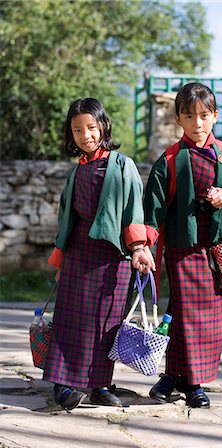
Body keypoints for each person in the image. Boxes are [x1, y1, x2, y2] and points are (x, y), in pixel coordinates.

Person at [43, 97, 155, 410]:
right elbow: (67, 220)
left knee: (106, 323)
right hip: (78, 254)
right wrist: (61, 262)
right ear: (71, 135)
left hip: (112, 258)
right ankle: (61, 384)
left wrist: (138, 248)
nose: (85, 135)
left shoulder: (123, 166)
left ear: (103, 125)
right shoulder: (74, 174)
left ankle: (100, 385)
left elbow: (134, 209)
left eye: (91, 127)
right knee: (68, 320)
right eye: (77, 130)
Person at [143, 82, 222, 408]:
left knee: (204, 315)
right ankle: (193, 384)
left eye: (204, 115)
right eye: (190, 116)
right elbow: (153, 208)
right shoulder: (172, 159)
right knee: (188, 312)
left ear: (215, 116)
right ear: (179, 119)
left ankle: (173, 376)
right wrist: (142, 245)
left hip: (217, 249)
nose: (198, 123)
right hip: (182, 246)